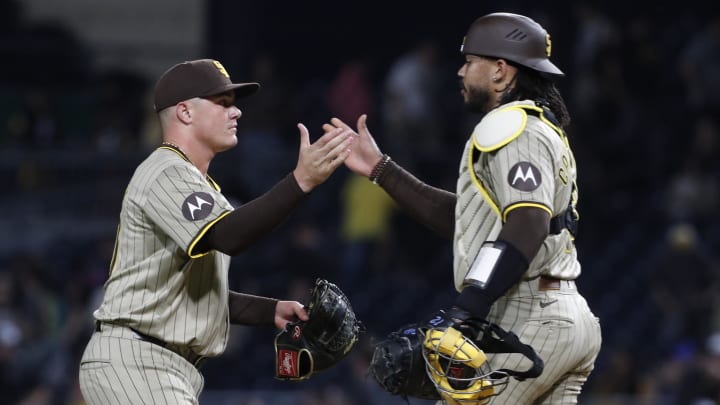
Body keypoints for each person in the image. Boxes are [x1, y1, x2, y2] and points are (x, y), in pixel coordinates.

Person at [325, 12, 602, 404]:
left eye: (471, 61)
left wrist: (466, 309)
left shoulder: (511, 126)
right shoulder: (539, 127)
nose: (460, 71)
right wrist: (380, 169)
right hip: (560, 314)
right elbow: (468, 221)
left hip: (525, 316)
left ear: (501, 73)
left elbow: (527, 223)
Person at [78, 58, 354, 404]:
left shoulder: (200, 187)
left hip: (155, 363)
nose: (235, 112)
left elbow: (193, 295)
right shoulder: (166, 170)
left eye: (233, 104)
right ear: (185, 113)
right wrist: (301, 181)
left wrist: (270, 310)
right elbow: (229, 236)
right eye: (222, 103)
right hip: (138, 361)